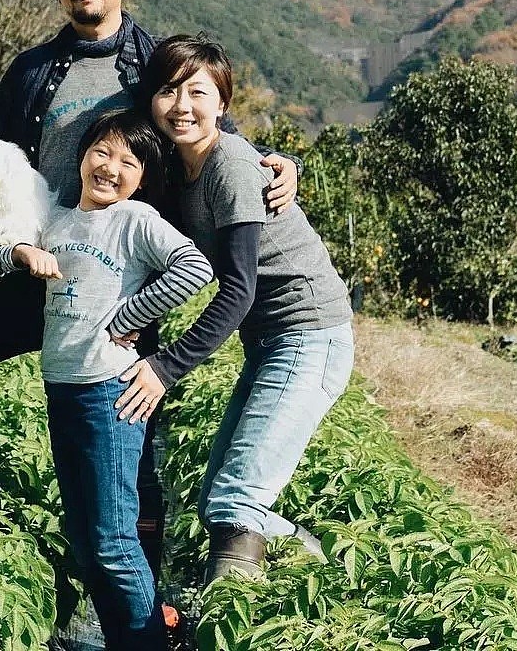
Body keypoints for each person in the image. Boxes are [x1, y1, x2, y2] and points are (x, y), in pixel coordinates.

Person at [0, 0, 299, 568]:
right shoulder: (31, 71)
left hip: (115, 292)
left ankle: (142, 602)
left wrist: (274, 159)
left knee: (126, 450)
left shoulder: (155, 65)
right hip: (29, 274)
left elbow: (214, 132)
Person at [0, 110, 213, 650]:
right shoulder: (54, 221)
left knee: (113, 540)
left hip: (110, 393)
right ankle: (127, 639)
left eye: (129, 162)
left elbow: (195, 269)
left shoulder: (135, 221)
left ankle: (146, 643)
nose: (111, 167)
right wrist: (17, 251)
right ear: (82, 155)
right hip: (64, 388)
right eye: (103, 151)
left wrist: (128, 319)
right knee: (86, 538)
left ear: (141, 179)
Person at [111, 34, 354, 583]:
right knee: (218, 504)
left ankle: (234, 624)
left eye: (197, 93)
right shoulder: (177, 167)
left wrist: (165, 367)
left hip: (308, 333)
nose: (182, 106)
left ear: (222, 103)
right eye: (169, 92)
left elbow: (239, 288)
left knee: (236, 503)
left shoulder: (229, 167)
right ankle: (319, 564)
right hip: (270, 343)